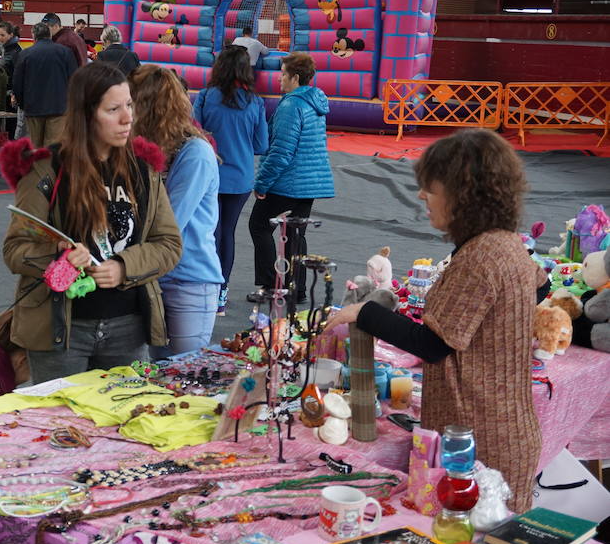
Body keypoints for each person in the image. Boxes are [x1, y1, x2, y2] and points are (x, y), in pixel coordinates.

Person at [325, 129, 548, 513]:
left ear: (464, 193)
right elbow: (539, 289)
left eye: (431, 187)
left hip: (478, 440)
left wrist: (365, 312)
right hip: (503, 426)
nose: (422, 196)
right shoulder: (506, 241)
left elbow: (432, 343)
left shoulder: (481, 256)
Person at [2, 62, 182, 383]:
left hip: (128, 326)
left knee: (121, 422)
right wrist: (57, 255)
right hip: (60, 329)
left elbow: (168, 244)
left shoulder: (144, 170)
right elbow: (16, 250)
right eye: (113, 109)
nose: (128, 118)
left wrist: (124, 267)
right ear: (86, 115)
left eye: (129, 105)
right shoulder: (46, 169)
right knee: (59, 422)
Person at [130, 65, 223, 357]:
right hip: (154, 276)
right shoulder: (151, 149)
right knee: (159, 374)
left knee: (182, 373)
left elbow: (170, 221)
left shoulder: (195, 153)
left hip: (189, 280)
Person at [249, 53, 333, 304]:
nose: (279, 78)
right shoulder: (315, 103)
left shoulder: (290, 106)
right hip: (309, 183)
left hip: (287, 181)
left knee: (260, 226)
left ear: (295, 77)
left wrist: (262, 182)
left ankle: (269, 285)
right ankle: (297, 289)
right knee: (297, 234)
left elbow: (282, 151)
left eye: (283, 73)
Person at [193, 45, 268, 316]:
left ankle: (206, 288)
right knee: (228, 233)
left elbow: (194, 133)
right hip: (240, 179)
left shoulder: (204, 97)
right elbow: (261, 144)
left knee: (209, 233)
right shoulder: (255, 102)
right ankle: (221, 295)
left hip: (209, 175)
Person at [12, 22, 76, 147]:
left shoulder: (25, 54)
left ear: (33, 36)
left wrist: (22, 103)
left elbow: (17, 82)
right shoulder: (66, 52)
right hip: (58, 108)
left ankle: (36, 166)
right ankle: (49, 166)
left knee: (33, 146)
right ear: (50, 35)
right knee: (52, 148)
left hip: (32, 108)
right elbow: (74, 79)